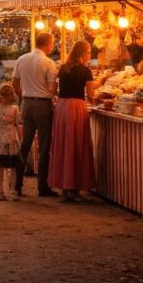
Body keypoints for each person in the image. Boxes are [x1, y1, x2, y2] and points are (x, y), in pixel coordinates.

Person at [49, 40, 98, 202]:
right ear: (82, 52)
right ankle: (75, 189)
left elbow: (54, 89)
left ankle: (64, 190)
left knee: (63, 145)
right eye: (88, 52)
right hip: (76, 107)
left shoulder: (63, 68)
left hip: (62, 106)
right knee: (77, 145)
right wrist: (102, 82)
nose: (89, 55)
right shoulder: (85, 70)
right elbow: (91, 93)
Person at [13, 32, 59, 198]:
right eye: (52, 44)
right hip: (42, 104)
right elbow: (52, 88)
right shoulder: (48, 62)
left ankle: (17, 184)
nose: (53, 47)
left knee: (25, 144)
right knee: (44, 146)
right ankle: (42, 186)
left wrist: (24, 95)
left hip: (27, 103)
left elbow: (15, 84)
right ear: (47, 44)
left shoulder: (22, 59)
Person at [0, 82, 23, 201]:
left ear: (12, 96)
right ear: (0, 96)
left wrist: (20, 138)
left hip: (11, 139)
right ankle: (0, 190)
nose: (6, 98)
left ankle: (13, 190)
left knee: (13, 166)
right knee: (0, 166)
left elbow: (18, 125)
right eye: (4, 95)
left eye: (9, 96)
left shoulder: (15, 108)